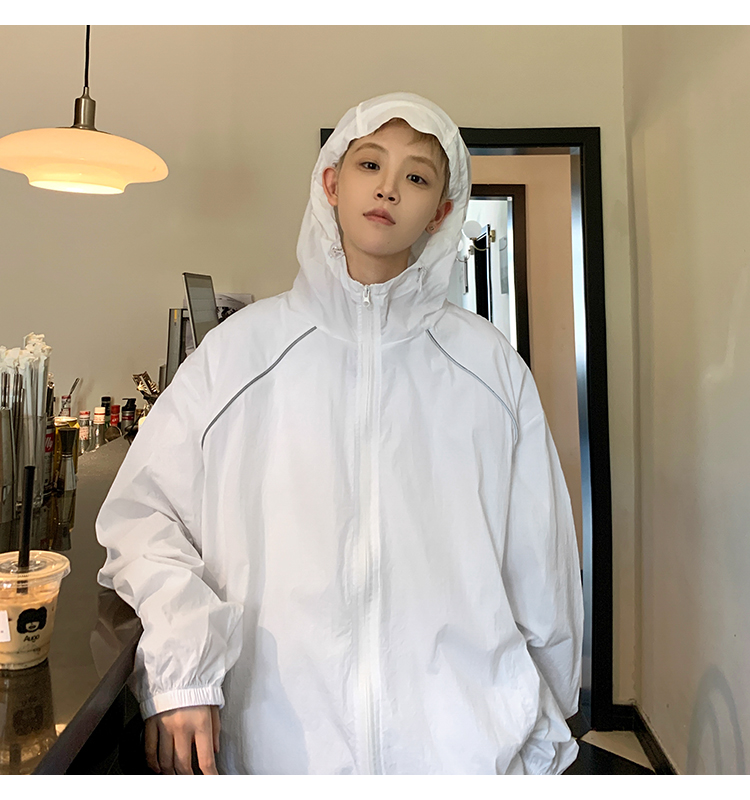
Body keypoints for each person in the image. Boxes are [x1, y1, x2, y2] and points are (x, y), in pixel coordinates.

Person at [96, 92, 584, 775]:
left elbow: (543, 574)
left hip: (461, 753)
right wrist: (182, 667)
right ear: (331, 182)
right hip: (279, 750)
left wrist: (538, 739)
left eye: (417, 176)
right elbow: (143, 516)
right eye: (369, 164)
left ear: (441, 211)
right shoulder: (239, 354)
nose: (388, 188)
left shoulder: (491, 371)